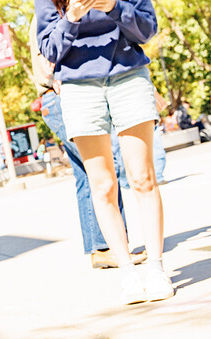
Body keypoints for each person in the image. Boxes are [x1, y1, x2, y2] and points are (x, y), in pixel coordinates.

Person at [36, 0, 174, 304]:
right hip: (78, 88)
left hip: (128, 77)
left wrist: (114, 7)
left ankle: (156, 268)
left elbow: (147, 29)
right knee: (103, 185)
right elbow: (49, 51)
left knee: (143, 179)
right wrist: (72, 16)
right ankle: (127, 272)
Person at [30, 14, 146, 269]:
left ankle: (101, 248)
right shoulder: (53, 15)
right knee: (105, 172)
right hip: (61, 97)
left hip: (54, 100)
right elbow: (46, 57)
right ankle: (112, 247)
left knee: (87, 176)